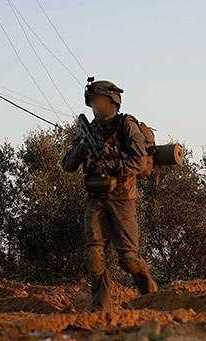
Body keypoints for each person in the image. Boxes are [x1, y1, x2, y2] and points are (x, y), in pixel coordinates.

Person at [62, 79, 157, 311]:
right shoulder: (89, 130)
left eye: (100, 100)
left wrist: (111, 165)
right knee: (95, 256)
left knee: (128, 259)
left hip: (123, 197)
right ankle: (101, 307)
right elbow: (67, 165)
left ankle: (151, 297)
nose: (96, 104)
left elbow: (138, 162)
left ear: (112, 101)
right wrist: (80, 151)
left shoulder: (127, 126)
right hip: (96, 198)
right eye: (92, 101)